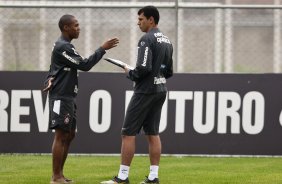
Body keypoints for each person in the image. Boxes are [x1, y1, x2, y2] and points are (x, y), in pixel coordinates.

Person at [101, 6, 173, 184]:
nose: (138, 22)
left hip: (145, 91)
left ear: (151, 20)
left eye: (141, 19)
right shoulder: (167, 40)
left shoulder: (146, 39)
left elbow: (143, 68)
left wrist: (129, 72)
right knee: (153, 133)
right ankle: (153, 177)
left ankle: (122, 177)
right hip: (160, 90)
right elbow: (169, 71)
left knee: (128, 133)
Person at [43, 14, 119, 184]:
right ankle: (55, 177)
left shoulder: (65, 46)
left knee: (69, 135)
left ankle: (60, 175)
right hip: (61, 97)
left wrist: (48, 78)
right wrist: (102, 48)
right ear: (66, 28)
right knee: (61, 135)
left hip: (68, 96)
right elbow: (85, 65)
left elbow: (53, 68)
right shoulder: (63, 47)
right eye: (75, 25)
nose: (79, 28)